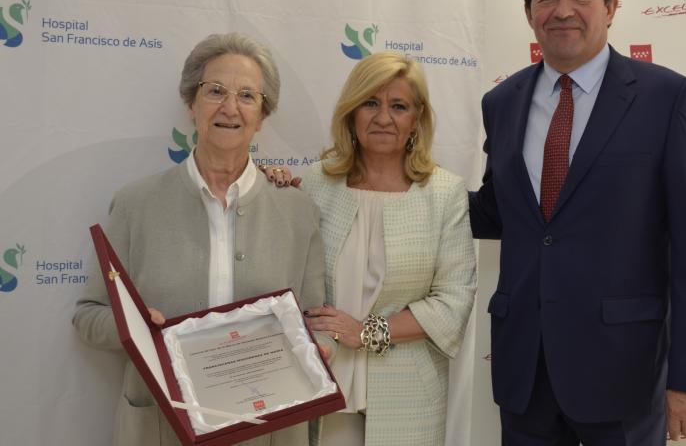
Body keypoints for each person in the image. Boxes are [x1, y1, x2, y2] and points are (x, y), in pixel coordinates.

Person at [468, 0, 686, 444]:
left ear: (610, 7)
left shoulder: (667, 98)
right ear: (529, 13)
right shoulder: (501, 103)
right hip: (526, 370)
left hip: (625, 372)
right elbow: (499, 210)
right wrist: (393, 185)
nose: (563, 10)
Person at [73, 32, 329, 446]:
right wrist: (134, 326)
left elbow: (316, 321)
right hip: (161, 428)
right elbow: (88, 314)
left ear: (263, 114)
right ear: (191, 104)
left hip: (269, 431)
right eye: (215, 92)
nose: (231, 108)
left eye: (247, 95)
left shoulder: (298, 212)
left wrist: (320, 348)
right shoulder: (134, 204)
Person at [267, 52, 476, 446]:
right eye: (370, 103)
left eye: (398, 106)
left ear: (416, 118)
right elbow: (286, 276)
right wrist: (266, 188)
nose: (383, 117)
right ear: (351, 113)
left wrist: (366, 332)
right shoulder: (315, 184)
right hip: (323, 382)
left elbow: (453, 303)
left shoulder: (444, 193)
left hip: (409, 393)